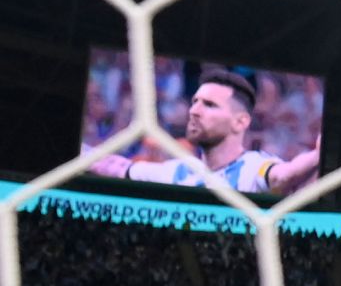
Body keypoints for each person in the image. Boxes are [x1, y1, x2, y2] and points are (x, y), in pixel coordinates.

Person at [88, 69, 319, 195]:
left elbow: (283, 175)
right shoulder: (179, 172)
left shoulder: (252, 168)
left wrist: (319, 154)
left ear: (240, 122)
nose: (194, 110)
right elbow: (116, 167)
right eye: (195, 101)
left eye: (209, 105)